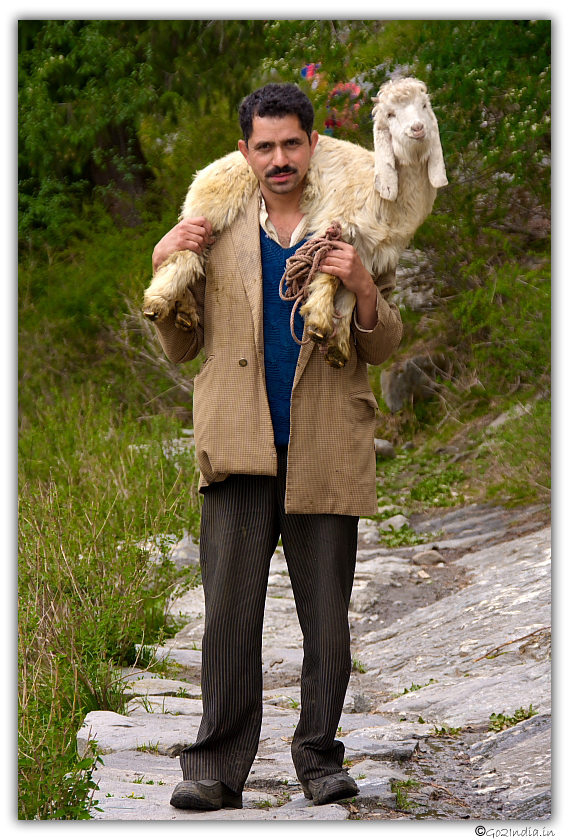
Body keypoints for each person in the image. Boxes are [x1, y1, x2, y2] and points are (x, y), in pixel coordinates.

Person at [151, 83, 403, 811]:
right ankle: (215, 769)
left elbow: (385, 344)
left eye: (291, 142)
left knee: (326, 622)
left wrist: (363, 288)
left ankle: (320, 760)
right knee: (229, 614)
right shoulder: (215, 227)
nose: (279, 157)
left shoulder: (351, 226)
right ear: (244, 152)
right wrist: (165, 258)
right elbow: (179, 343)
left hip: (325, 445)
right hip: (237, 447)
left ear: (312, 143)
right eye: (264, 146)